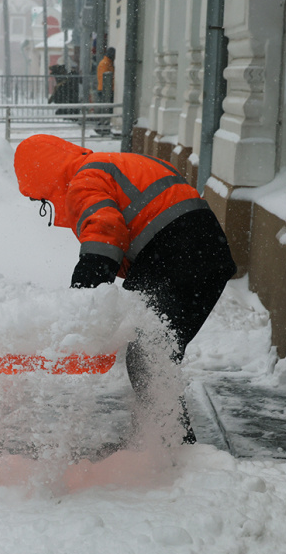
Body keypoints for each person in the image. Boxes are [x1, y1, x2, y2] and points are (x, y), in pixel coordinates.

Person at [13, 134, 237, 443]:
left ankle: (173, 447)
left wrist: (84, 304)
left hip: (173, 252)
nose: (46, 204)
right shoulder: (112, 164)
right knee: (155, 351)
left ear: (45, 177)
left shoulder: (83, 180)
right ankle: (160, 438)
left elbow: (104, 235)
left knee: (148, 353)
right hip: (207, 254)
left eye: (41, 199)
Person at [95, 47, 116, 134]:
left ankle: (102, 125)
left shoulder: (106, 62)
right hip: (105, 90)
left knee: (105, 109)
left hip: (105, 89)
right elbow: (105, 78)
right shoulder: (106, 63)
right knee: (106, 109)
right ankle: (102, 126)